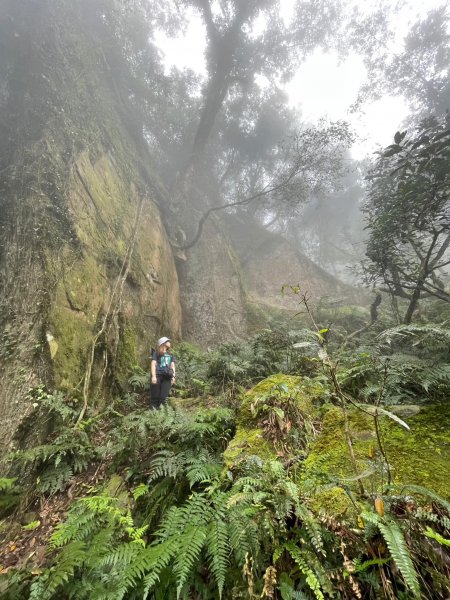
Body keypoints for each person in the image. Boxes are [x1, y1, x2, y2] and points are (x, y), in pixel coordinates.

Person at [149, 336, 176, 409]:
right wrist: (153, 376)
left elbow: (172, 366)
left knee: (163, 398)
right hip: (157, 376)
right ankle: (154, 413)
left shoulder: (171, 355)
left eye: (167, 346)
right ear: (161, 345)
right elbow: (153, 364)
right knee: (155, 397)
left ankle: (161, 414)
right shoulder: (156, 354)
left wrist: (173, 376)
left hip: (167, 376)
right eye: (165, 345)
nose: (166, 347)